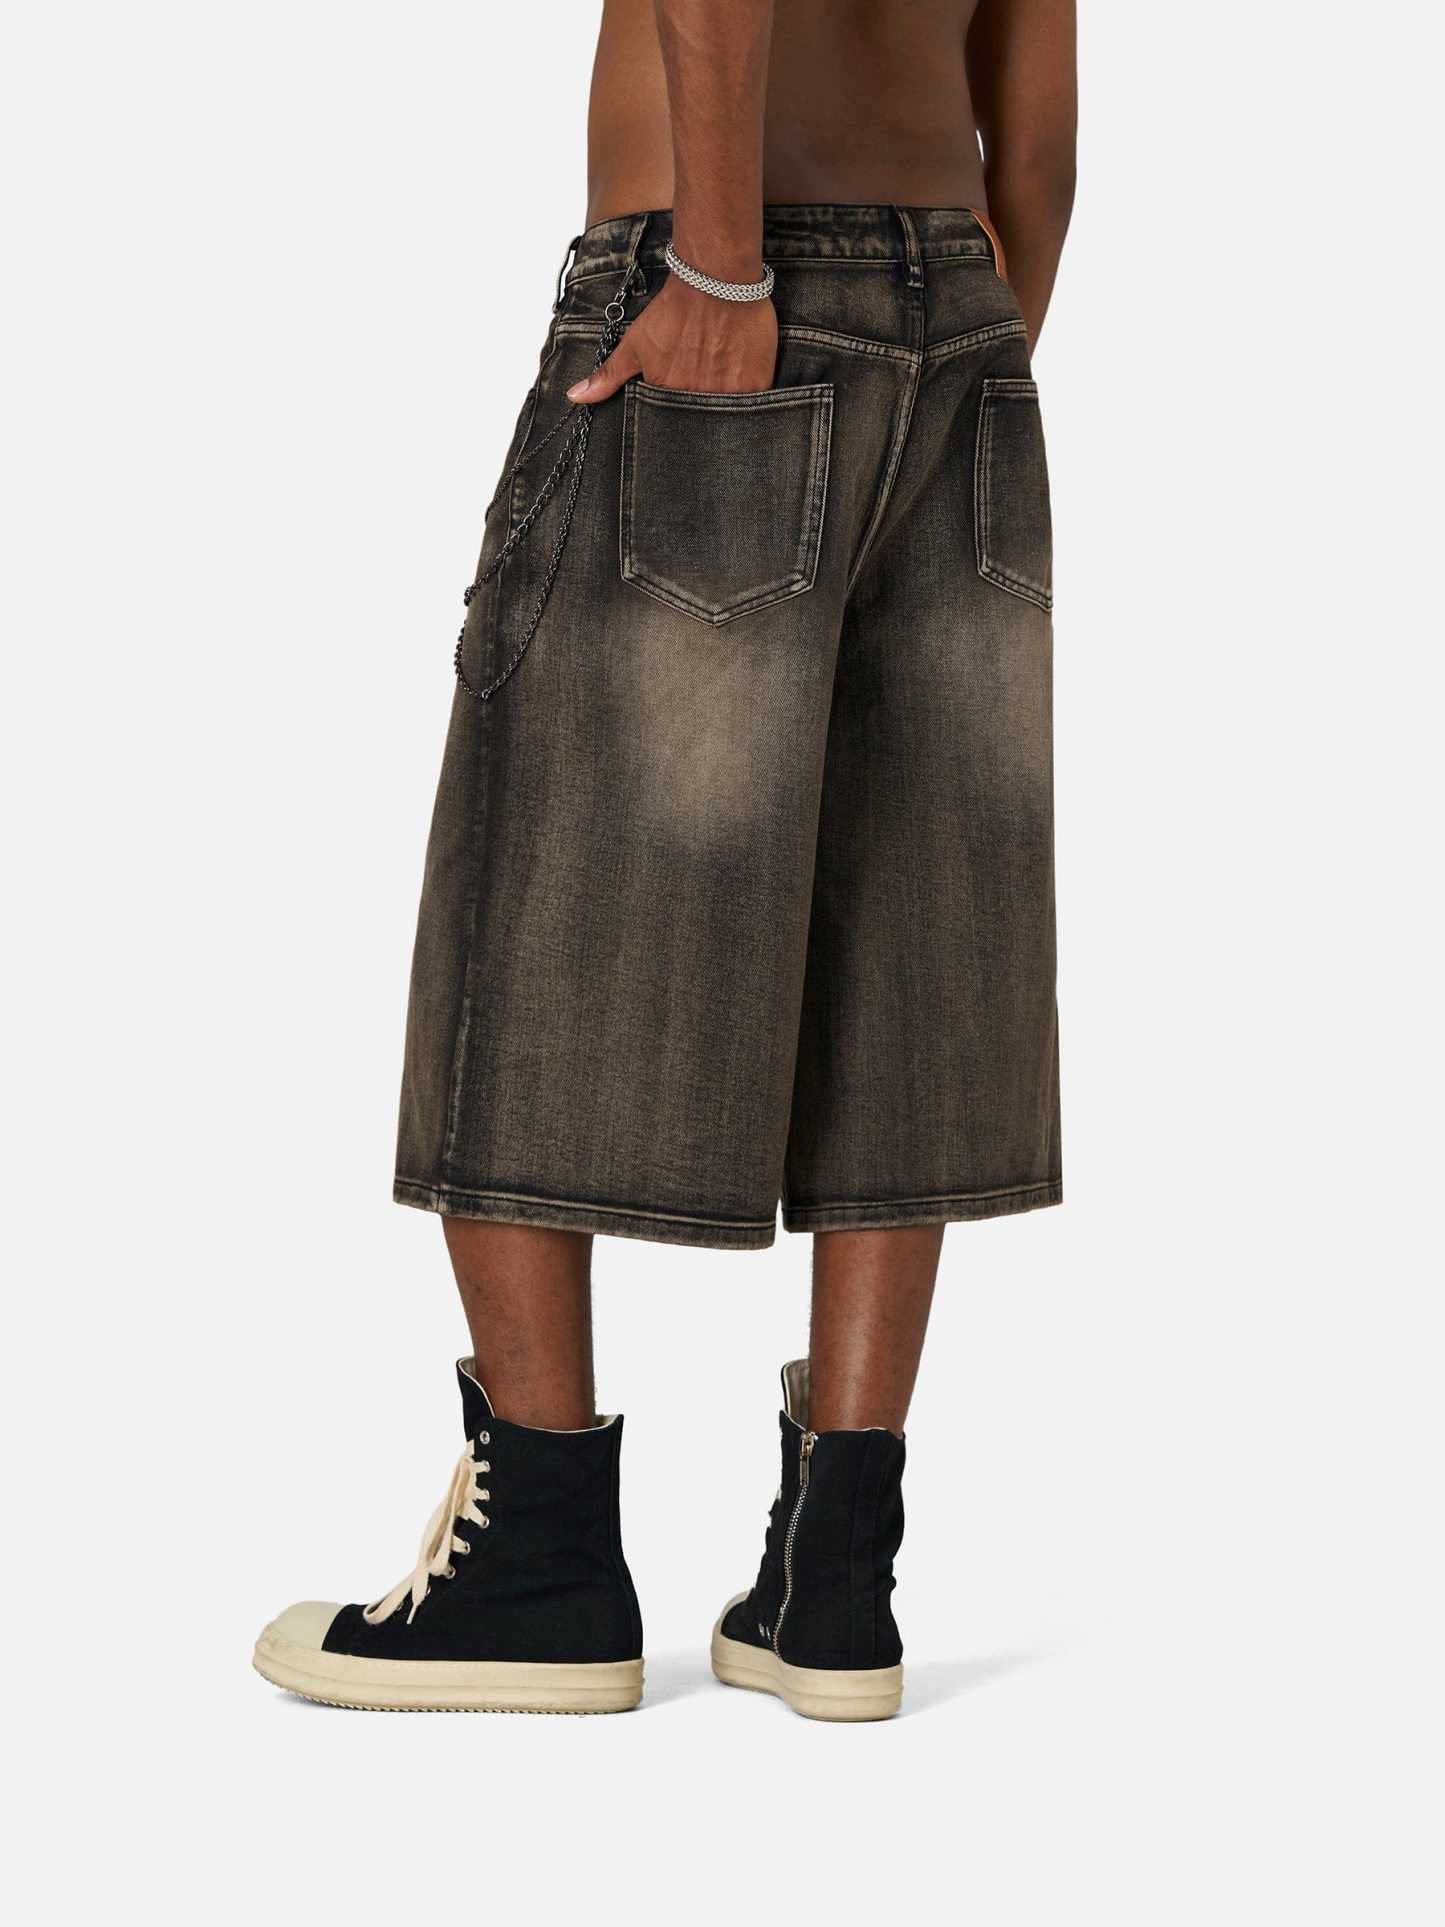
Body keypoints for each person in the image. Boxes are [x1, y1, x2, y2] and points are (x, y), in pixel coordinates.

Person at [253, 0, 1075, 1720]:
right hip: (963, 310)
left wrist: (716, 265)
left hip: (722, 282)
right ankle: (834, 1582)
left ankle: (541, 1566)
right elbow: (1042, 139)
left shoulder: (717, 278)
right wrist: (955, 347)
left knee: (539, 896)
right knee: (909, 916)